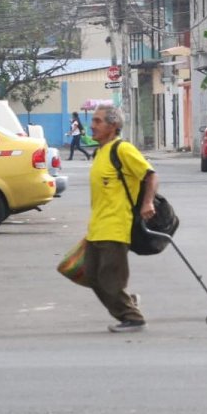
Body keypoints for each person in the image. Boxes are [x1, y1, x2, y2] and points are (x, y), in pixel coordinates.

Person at [85, 105, 156, 333]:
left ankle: (133, 318)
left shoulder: (122, 149)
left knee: (110, 278)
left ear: (113, 126)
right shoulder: (100, 152)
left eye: (98, 121)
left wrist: (147, 202)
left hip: (116, 226)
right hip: (97, 226)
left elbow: (150, 175)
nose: (92, 126)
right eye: (93, 121)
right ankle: (126, 302)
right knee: (89, 274)